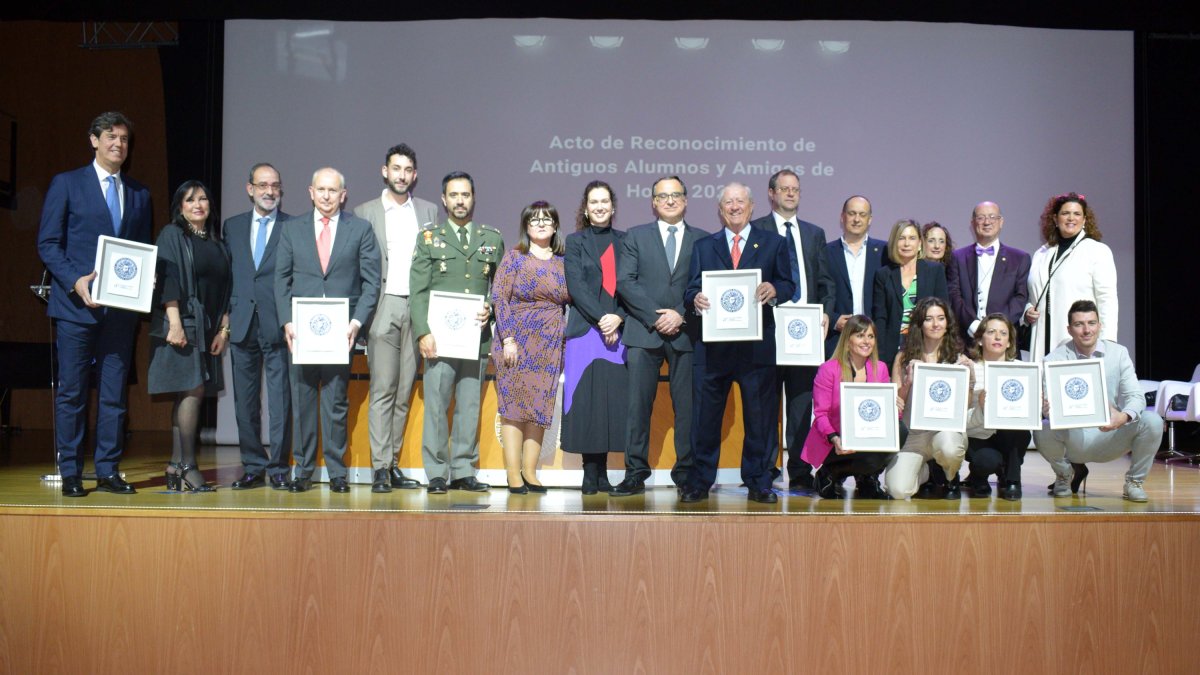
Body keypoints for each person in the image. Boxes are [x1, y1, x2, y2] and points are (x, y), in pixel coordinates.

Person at [37, 112, 153, 497]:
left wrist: (145, 276)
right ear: (93, 140)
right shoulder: (67, 184)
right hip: (75, 308)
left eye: (123, 138)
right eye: (110, 137)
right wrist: (74, 280)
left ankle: (108, 470)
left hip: (120, 313)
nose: (118, 144)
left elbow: (139, 251)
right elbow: (48, 244)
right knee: (72, 392)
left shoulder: (139, 194)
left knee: (114, 393)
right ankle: (70, 471)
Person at [681, 182, 793, 504]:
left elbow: (788, 284)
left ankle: (759, 481)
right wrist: (696, 298)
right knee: (705, 420)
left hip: (756, 350)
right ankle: (700, 481)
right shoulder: (704, 246)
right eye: (728, 202)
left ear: (751, 206)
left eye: (739, 201)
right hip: (713, 350)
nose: (733, 207)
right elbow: (689, 291)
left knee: (760, 420)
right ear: (720, 209)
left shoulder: (773, 243)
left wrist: (774, 290)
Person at [275, 168, 381, 493]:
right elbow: (281, 280)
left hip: (341, 333)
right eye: (321, 189)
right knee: (302, 401)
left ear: (343, 194)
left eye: (332, 190)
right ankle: (303, 471)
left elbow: (371, 282)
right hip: (302, 333)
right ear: (310, 191)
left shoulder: (361, 229)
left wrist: (356, 323)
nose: (326, 196)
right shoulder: (292, 229)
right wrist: (287, 322)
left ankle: (337, 472)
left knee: (336, 404)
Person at [410, 171, 504, 495]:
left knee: (469, 405)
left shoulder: (491, 239)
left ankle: (464, 469)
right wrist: (422, 331)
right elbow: (418, 290)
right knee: (436, 405)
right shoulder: (428, 239)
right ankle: (437, 472)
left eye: (465, 195)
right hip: (439, 338)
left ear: (473, 198)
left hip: (475, 338)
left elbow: (502, 288)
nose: (460, 201)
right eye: (454, 195)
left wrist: (490, 306)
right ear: (444, 199)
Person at [352, 143, 439, 493]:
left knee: (404, 390)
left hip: (417, 308)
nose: (401, 175)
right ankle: (378, 469)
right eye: (396, 168)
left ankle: (392, 464)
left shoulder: (430, 211)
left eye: (408, 170)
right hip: (382, 305)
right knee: (383, 388)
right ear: (384, 171)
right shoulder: (364, 211)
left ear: (414, 175)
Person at [611, 176, 704, 496]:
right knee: (638, 406)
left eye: (675, 195)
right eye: (662, 196)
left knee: (688, 409)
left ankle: (686, 473)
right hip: (643, 332)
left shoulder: (703, 240)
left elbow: (703, 287)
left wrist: (680, 313)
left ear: (686, 200)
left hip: (686, 333)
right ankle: (635, 471)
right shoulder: (635, 237)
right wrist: (656, 317)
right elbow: (625, 282)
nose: (669, 201)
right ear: (652, 202)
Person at [747, 169, 835, 490]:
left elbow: (825, 281)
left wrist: (825, 312)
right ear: (771, 194)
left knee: (801, 405)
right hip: (769, 331)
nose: (790, 194)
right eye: (784, 189)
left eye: (795, 189)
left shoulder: (814, 233)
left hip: (806, 333)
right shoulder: (755, 230)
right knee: (767, 405)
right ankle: (767, 469)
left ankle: (799, 470)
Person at [1033, 300, 1162, 502]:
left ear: (1099, 326)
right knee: (1043, 427)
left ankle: (1134, 482)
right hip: (1074, 438)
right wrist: (1048, 410)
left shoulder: (1118, 354)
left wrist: (1123, 416)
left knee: (1152, 421)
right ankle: (1065, 474)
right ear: (1069, 329)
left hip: (1110, 434)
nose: (1086, 330)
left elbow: (1136, 397)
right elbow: (1050, 406)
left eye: (1091, 323)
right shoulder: (1054, 360)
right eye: (1079, 324)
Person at [148, 180, 231, 492]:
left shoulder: (217, 243)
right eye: (190, 199)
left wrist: (224, 329)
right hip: (180, 322)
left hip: (207, 327)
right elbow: (167, 279)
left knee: (188, 392)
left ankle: (174, 464)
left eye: (203, 198)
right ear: (179, 206)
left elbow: (226, 291)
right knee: (191, 390)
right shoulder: (172, 234)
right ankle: (188, 466)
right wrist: (175, 323)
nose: (198, 204)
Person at [492, 201, 570, 494]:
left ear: (555, 226)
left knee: (539, 407)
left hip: (549, 344)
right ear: (526, 226)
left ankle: (531, 473)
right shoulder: (514, 258)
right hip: (515, 342)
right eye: (534, 219)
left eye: (546, 219)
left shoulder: (563, 262)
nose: (540, 224)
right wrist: (508, 339)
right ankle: (513, 475)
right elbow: (500, 299)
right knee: (513, 409)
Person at [224, 163, 293, 491]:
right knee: (245, 402)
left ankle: (279, 467)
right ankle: (252, 466)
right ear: (249, 188)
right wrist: (225, 320)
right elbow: (229, 276)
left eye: (275, 186)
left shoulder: (293, 227)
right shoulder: (232, 226)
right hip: (241, 324)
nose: (269, 191)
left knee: (281, 401)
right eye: (263, 185)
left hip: (279, 324)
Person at [562, 181, 628, 494]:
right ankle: (591, 472)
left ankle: (604, 474)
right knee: (587, 403)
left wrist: (619, 318)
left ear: (612, 207)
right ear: (586, 209)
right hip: (586, 330)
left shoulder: (627, 242)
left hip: (618, 332)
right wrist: (604, 319)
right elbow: (576, 286)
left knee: (610, 402)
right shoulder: (574, 242)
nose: (599, 206)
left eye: (604, 201)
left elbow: (631, 285)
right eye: (593, 202)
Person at [884, 297, 975, 500]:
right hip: (912, 434)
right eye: (929, 319)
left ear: (947, 323)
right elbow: (897, 405)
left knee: (949, 448)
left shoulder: (958, 359)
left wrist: (971, 381)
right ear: (920, 324)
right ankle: (924, 472)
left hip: (944, 431)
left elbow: (966, 406)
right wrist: (907, 382)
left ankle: (950, 475)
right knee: (897, 490)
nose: (935, 324)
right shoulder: (904, 357)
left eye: (941, 318)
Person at [800, 315, 896, 499]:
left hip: (867, 439)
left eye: (871, 336)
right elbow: (820, 414)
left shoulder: (881, 368)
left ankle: (866, 477)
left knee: (900, 430)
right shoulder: (829, 369)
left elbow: (886, 415)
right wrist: (835, 439)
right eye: (860, 336)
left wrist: (894, 406)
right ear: (847, 340)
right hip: (834, 442)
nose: (867, 341)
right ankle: (829, 471)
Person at [1024, 192, 1117, 361]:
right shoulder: (1042, 253)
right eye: (1065, 213)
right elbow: (1033, 295)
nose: (1070, 218)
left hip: (1080, 339)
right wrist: (1027, 311)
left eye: (1077, 214)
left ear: (1085, 220)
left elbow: (1107, 300)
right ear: (1055, 219)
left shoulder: (1097, 251)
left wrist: (1107, 343)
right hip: (1042, 337)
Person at [962, 313, 1030, 500]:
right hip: (978, 434)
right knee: (986, 461)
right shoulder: (970, 369)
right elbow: (959, 419)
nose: (998, 337)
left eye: (1003, 333)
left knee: (1021, 432)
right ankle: (978, 477)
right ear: (981, 340)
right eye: (991, 332)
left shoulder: (1022, 371)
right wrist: (981, 410)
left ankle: (1012, 480)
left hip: (1009, 436)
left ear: (1009, 342)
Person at [945, 201, 1032, 344]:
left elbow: (1020, 297)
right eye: (981, 218)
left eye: (992, 217)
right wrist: (973, 326)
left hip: (1004, 340)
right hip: (967, 339)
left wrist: (997, 329)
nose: (987, 222)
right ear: (973, 223)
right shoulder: (958, 257)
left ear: (1001, 222)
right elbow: (954, 294)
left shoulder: (1020, 258)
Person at [872, 219, 949, 366]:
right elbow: (880, 317)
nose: (907, 244)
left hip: (927, 347)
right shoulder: (883, 274)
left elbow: (944, 311)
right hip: (892, 348)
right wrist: (880, 353)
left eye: (912, 238)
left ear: (920, 243)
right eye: (902, 238)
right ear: (894, 243)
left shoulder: (934, 271)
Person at [824, 196, 888, 362]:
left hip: (873, 341)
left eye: (862, 214)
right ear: (842, 216)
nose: (857, 219)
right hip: (836, 339)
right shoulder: (825, 251)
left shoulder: (884, 252)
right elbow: (818, 291)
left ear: (870, 219)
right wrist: (833, 318)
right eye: (852, 213)